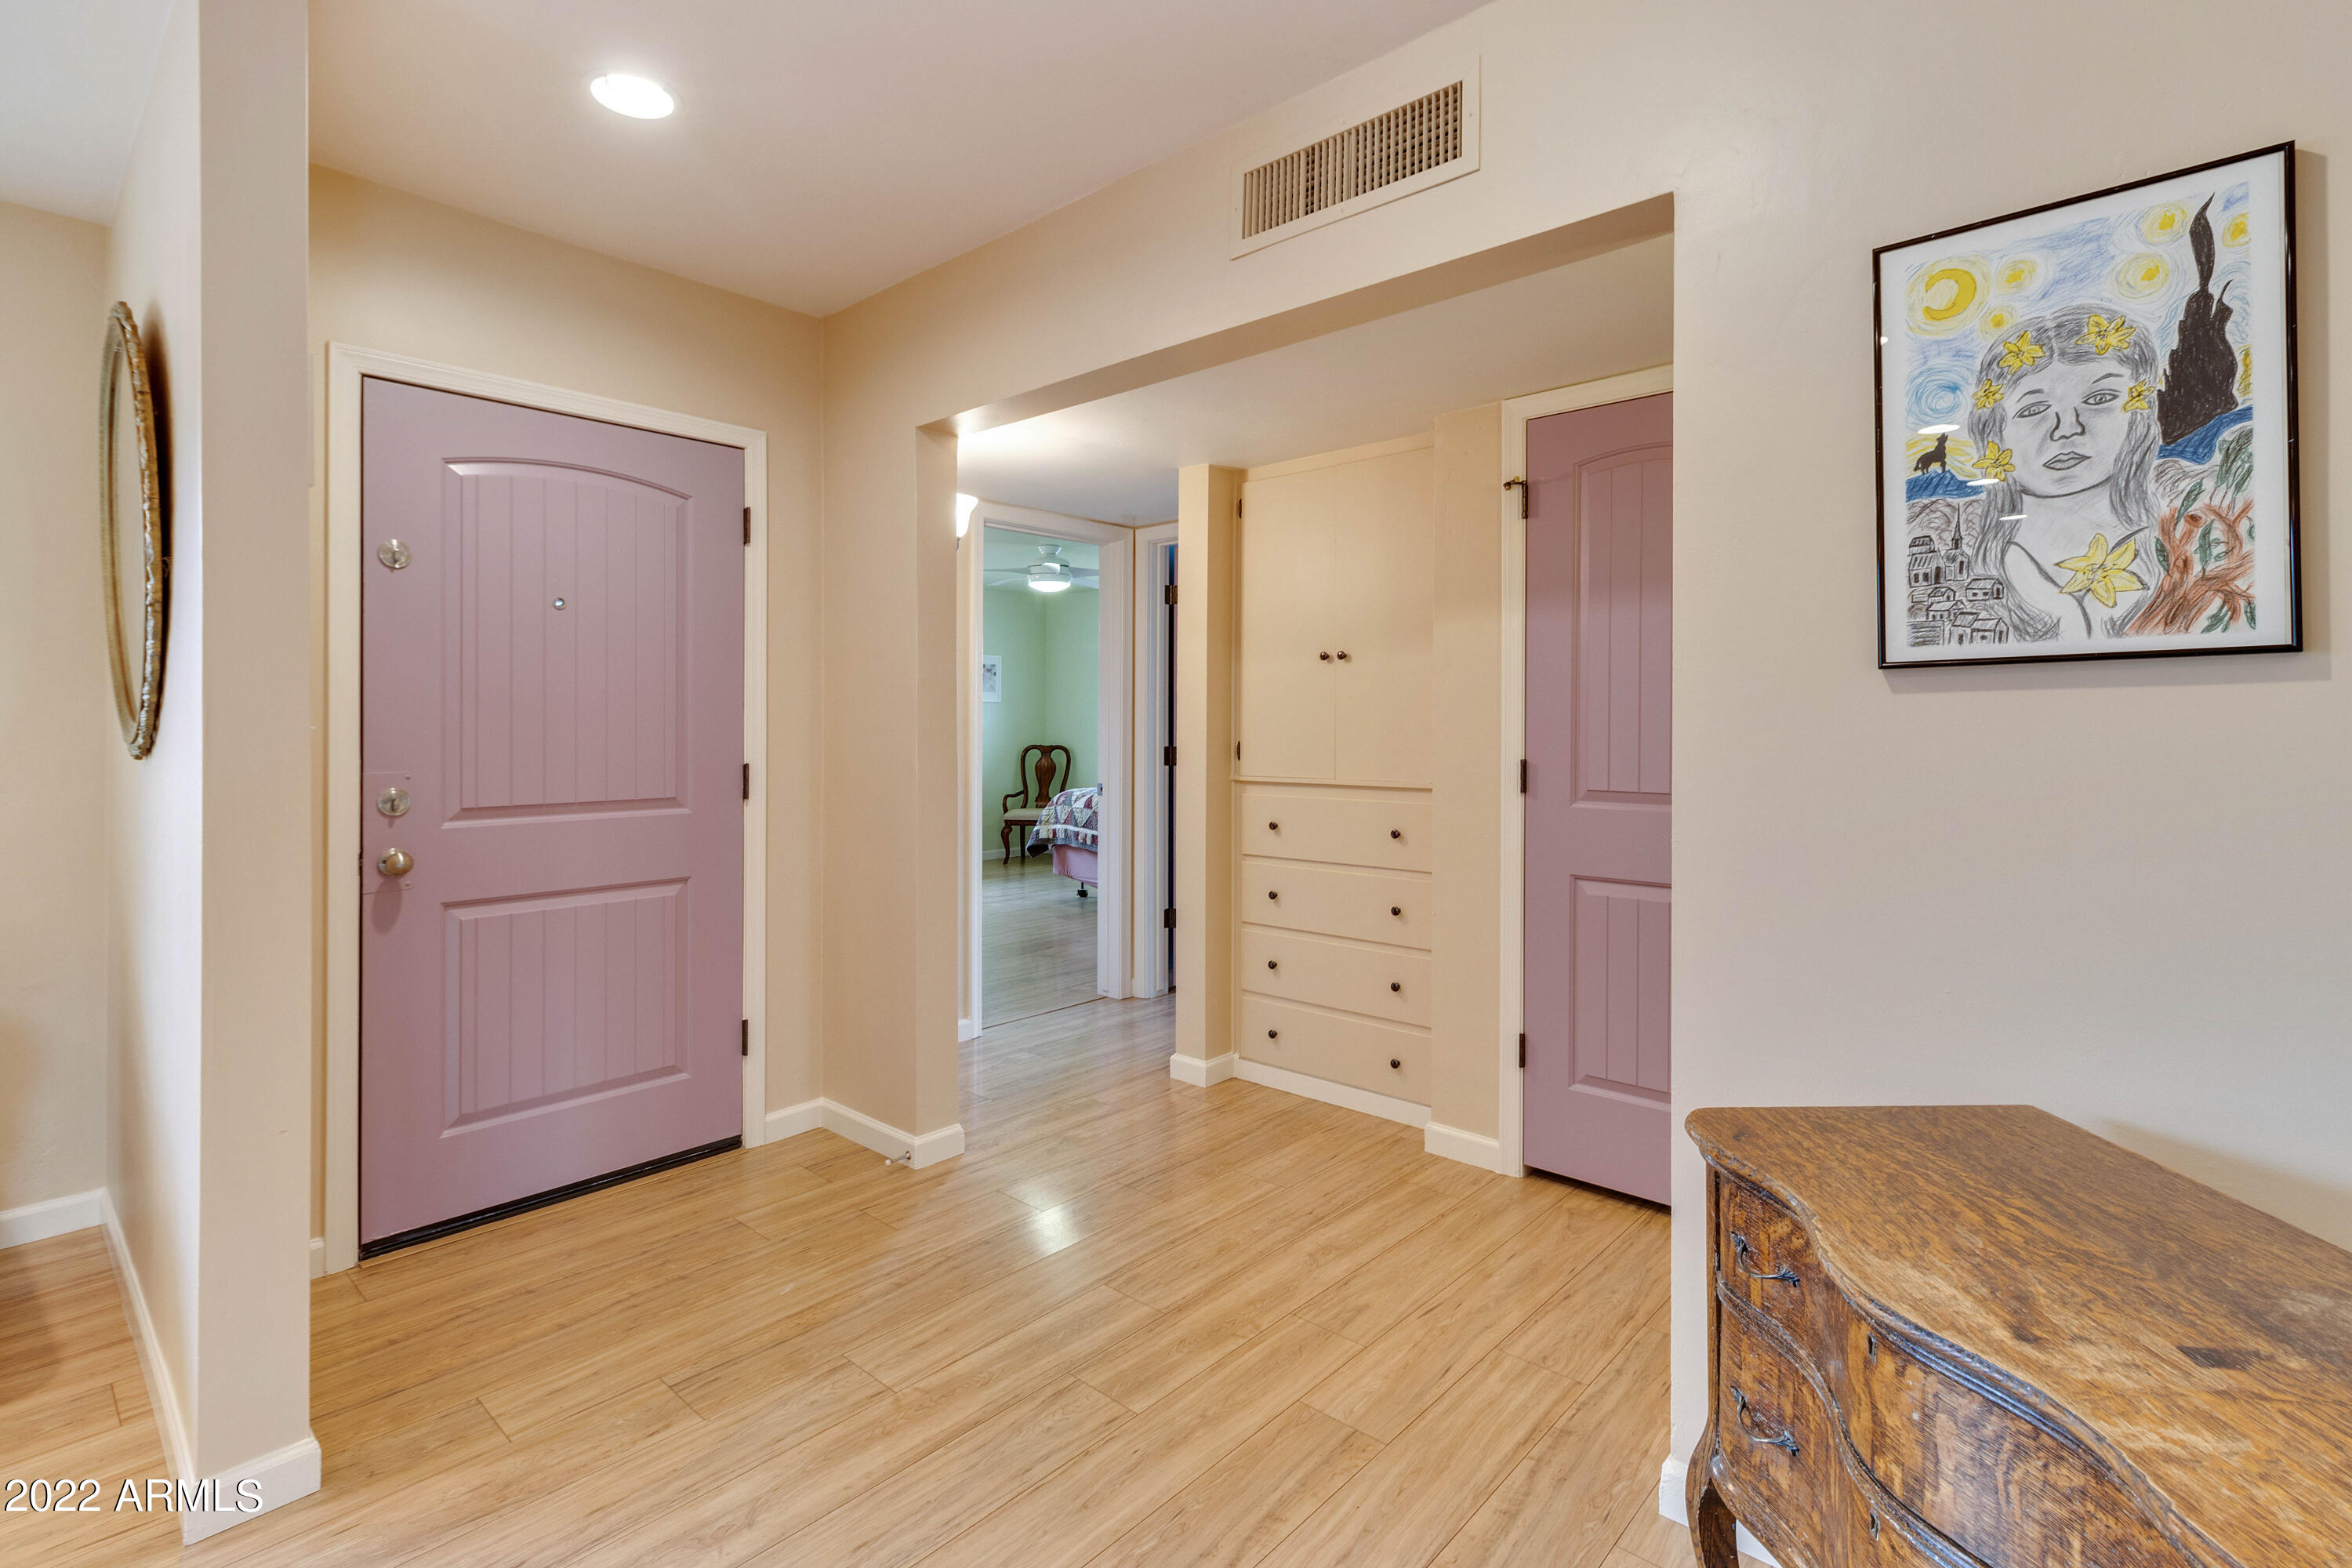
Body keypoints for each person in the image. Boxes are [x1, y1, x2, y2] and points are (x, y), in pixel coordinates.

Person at [1962, 303, 2162, 641]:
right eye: (2035, 409)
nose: (2067, 429)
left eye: (2099, 399)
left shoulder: (2179, 549)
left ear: (2139, 413)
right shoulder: (1982, 577)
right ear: (1994, 432)